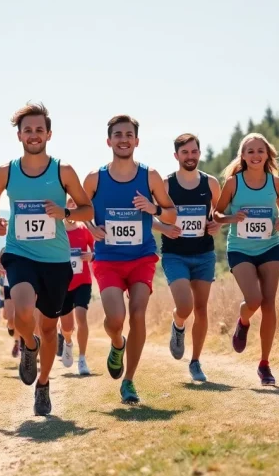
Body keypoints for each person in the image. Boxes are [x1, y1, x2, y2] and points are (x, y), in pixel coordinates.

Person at [0, 102, 93, 416]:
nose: (33, 135)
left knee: (50, 329)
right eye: (27, 130)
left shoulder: (63, 170)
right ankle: (28, 347)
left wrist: (66, 213)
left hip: (56, 260)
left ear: (49, 133)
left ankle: (43, 385)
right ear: (19, 134)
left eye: (39, 130)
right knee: (21, 309)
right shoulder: (7, 170)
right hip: (20, 253)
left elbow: (88, 211)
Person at [83, 115, 176, 404]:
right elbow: (80, 211)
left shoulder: (150, 176)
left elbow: (171, 213)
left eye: (129, 134)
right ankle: (117, 343)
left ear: (137, 141)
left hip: (141, 257)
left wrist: (154, 208)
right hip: (108, 258)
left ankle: (129, 382)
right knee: (115, 319)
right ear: (108, 141)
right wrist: (90, 227)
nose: (124, 139)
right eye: (118, 134)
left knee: (137, 314)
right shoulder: (94, 178)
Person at [214, 133, 279, 385]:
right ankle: (243, 320)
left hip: (269, 246)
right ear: (243, 156)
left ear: (267, 154)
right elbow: (216, 213)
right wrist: (230, 219)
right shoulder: (233, 183)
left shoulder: (276, 183)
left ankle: (264, 364)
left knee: (269, 304)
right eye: (250, 151)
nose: (256, 155)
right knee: (254, 300)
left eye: (260, 151)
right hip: (240, 249)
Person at [152, 134, 221, 382]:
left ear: (199, 153)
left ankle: (195, 362)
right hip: (175, 255)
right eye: (185, 153)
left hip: (204, 254)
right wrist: (164, 229)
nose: (190, 156)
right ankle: (178, 324)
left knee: (201, 309)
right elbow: (149, 215)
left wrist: (215, 225)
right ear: (176, 156)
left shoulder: (211, 183)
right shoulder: (166, 184)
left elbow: (218, 214)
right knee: (185, 306)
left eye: (194, 152)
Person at [60, 197, 95, 375]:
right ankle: (67, 342)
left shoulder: (85, 229)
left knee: (81, 316)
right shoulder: (57, 230)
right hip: (63, 283)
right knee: (67, 327)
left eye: (76, 204)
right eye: (70, 203)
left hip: (83, 281)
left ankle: (82, 359)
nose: (73, 206)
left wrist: (92, 255)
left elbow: (97, 249)